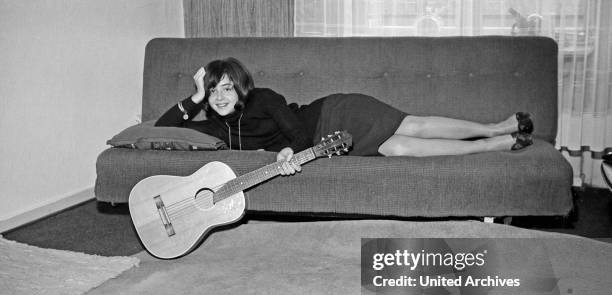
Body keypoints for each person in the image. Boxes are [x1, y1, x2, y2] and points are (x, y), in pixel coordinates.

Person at [155, 57, 534, 175]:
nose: (221, 96)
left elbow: (294, 131)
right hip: (329, 147)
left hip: (333, 117)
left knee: (412, 125)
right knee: (402, 149)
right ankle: (496, 144)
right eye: (214, 90)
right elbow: (161, 129)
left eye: (227, 87)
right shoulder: (215, 125)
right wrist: (196, 95)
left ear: (240, 88)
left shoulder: (263, 98)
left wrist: (289, 154)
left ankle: (497, 126)